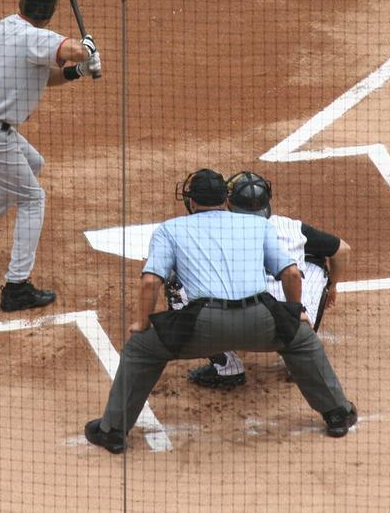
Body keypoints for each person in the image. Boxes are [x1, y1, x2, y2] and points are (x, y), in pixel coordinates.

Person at [84, 169, 357, 454]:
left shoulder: (169, 229)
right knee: (301, 342)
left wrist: (142, 323)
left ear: (191, 201)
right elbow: (291, 273)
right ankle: (338, 414)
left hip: (201, 326)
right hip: (261, 320)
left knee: (140, 350)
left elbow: (151, 282)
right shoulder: (258, 225)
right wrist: (294, 312)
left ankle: (112, 432)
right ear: (226, 199)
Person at [0, 0, 101, 312]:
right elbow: (72, 49)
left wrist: (78, 72)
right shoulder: (37, 38)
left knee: (33, 165)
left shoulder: (5, 27)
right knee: (33, 198)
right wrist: (87, 49)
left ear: (22, 3)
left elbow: (41, 76)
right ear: (50, 12)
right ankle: (17, 287)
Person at [182, 170, 352, 389]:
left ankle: (227, 367)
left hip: (232, 326)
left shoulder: (213, 232)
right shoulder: (292, 228)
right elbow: (342, 250)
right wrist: (333, 286)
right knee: (315, 261)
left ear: (228, 202)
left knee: (180, 285)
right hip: (286, 327)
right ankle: (299, 355)